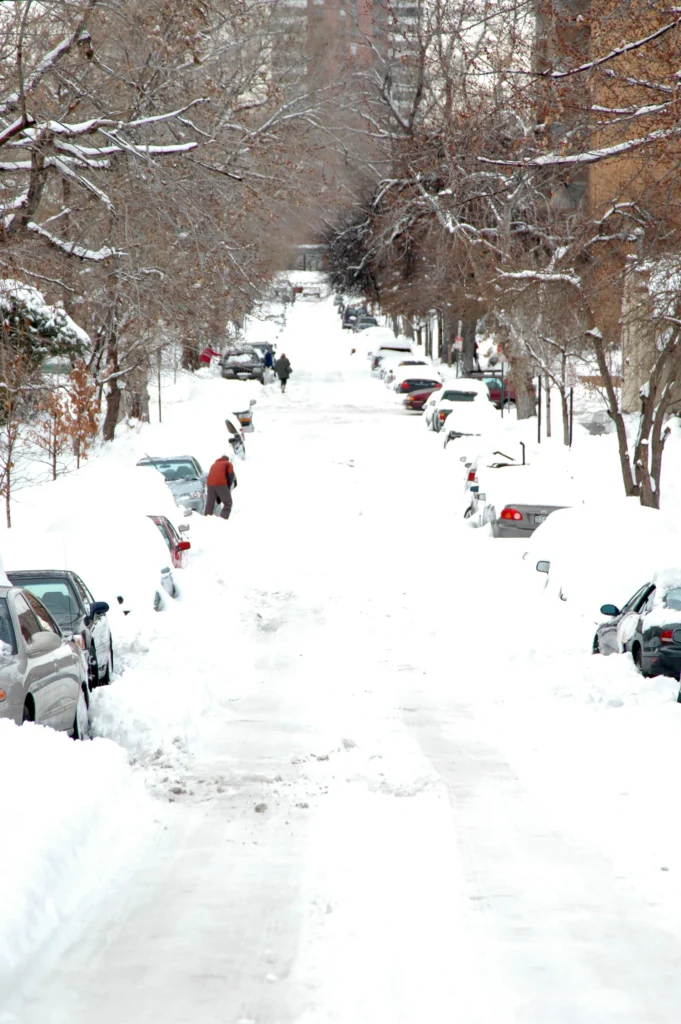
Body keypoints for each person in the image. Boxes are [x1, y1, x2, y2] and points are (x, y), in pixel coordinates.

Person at [204, 454, 236, 519]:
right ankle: (222, 520)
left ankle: (206, 519)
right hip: (220, 483)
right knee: (228, 503)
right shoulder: (228, 464)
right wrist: (228, 487)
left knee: (210, 503)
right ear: (227, 459)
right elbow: (231, 476)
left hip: (209, 484)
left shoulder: (213, 465)